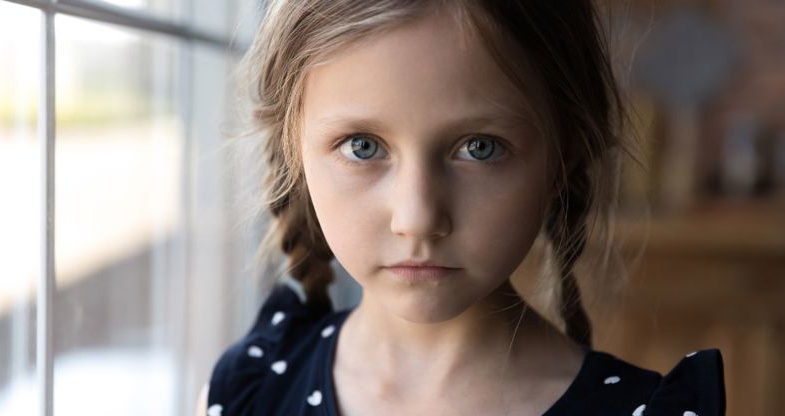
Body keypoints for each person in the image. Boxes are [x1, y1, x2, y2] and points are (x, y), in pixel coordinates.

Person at [198, 0, 726, 415]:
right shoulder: (250, 391)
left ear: (565, 153)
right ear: (295, 147)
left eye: (479, 147)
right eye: (363, 146)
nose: (418, 218)